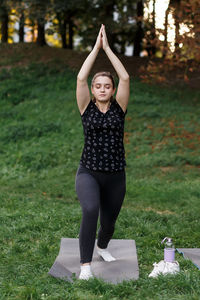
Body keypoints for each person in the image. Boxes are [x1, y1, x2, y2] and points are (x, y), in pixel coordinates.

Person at [75, 24, 130, 280]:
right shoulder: (86, 107)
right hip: (89, 172)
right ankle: (85, 265)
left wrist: (108, 48)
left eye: (107, 85)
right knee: (90, 210)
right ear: (94, 90)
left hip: (116, 175)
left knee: (108, 223)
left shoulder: (119, 107)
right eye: (99, 85)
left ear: (112, 89)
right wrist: (96, 49)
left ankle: (102, 246)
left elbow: (126, 78)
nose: (103, 89)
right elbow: (80, 78)